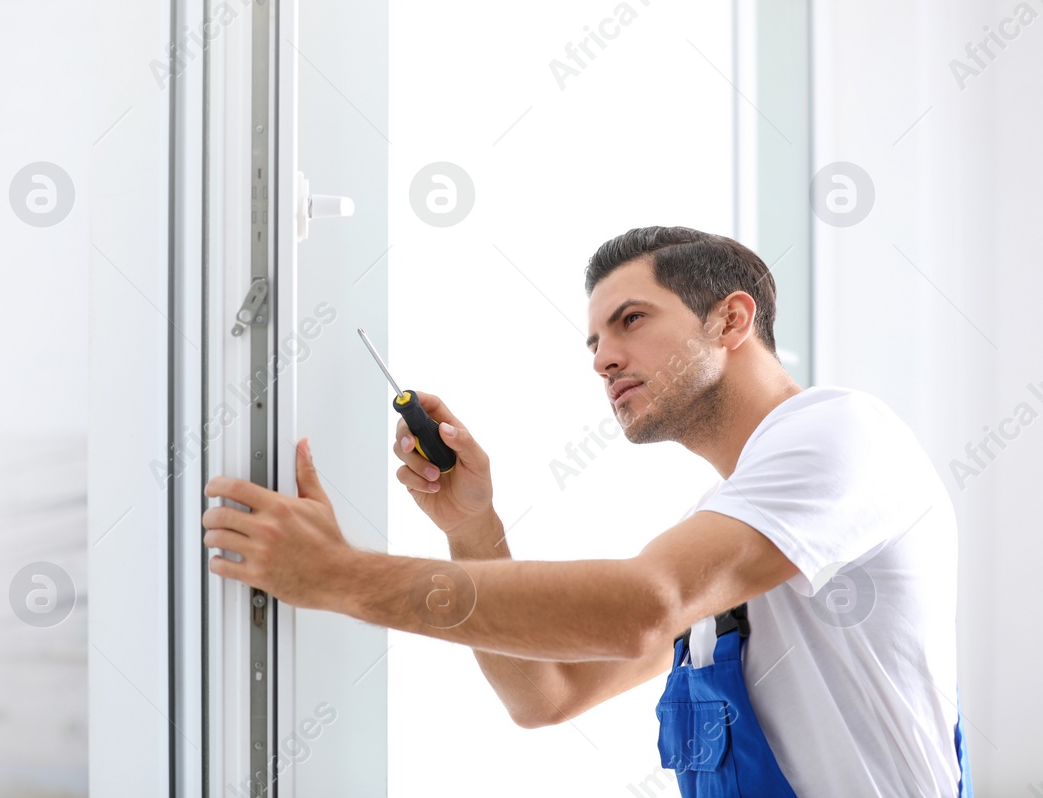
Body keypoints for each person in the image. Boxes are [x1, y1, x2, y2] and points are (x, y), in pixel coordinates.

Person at [199, 226, 970, 797]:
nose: (602, 357)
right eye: (595, 338)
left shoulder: (840, 433)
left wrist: (337, 576)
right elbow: (549, 694)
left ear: (731, 322)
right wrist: (474, 528)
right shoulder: (736, 538)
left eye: (631, 320)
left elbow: (643, 605)